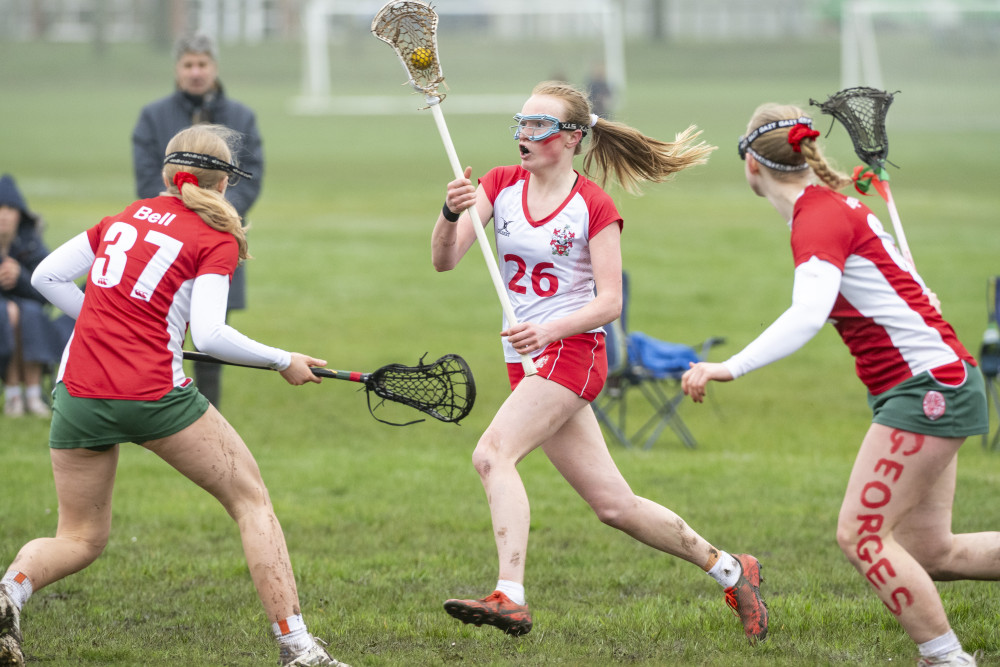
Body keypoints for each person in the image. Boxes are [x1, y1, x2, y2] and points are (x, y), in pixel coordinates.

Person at [430, 81, 768, 644]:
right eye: (520, 122)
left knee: (492, 454)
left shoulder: (593, 205)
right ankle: (733, 570)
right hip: (526, 356)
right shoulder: (498, 184)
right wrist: (449, 211)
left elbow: (609, 303)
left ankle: (508, 595)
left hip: (574, 351)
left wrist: (548, 327)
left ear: (572, 139)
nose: (523, 135)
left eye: (539, 126)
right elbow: (444, 260)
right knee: (614, 505)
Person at [0, 125, 347, 667]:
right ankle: (298, 648)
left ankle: (10, 591)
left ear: (166, 173)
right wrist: (284, 360)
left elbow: (46, 277)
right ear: (224, 184)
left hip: (79, 392)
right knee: (251, 502)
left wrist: (105, 324)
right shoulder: (216, 238)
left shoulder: (125, 217)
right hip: (154, 393)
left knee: (80, 537)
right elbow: (208, 336)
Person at [681, 103, 998, 667]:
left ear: (750, 167)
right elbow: (910, 288)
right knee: (932, 551)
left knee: (862, 535)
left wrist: (726, 366)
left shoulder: (817, 217)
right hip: (944, 380)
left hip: (928, 391)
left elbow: (807, 315)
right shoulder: (836, 206)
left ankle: (947, 659)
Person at [132, 31, 264, 408]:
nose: (195, 72)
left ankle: (210, 416)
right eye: (188, 64)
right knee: (157, 336)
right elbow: (146, 177)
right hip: (163, 242)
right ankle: (155, 412)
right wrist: (182, 215)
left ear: (214, 68)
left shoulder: (241, 117)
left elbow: (251, 176)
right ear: (177, 70)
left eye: (202, 64)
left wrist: (215, 215)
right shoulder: (153, 117)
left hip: (217, 236)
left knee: (212, 339)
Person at [0, 174, 70, 418]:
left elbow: (46, 293)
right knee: (7, 313)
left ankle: (31, 393)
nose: (4, 214)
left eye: (10, 208)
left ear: (20, 214)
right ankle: (13, 395)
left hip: (29, 314)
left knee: (29, 312)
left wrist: (19, 277)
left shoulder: (31, 242)